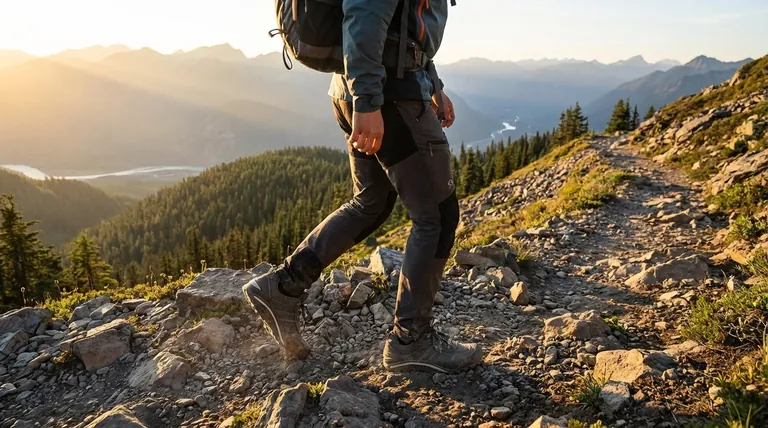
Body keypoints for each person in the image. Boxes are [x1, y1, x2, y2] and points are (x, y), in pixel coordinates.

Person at [243, 0, 483, 373]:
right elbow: (365, 13)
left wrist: (433, 84)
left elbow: (403, 23)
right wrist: (369, 102)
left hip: (360, 87)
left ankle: (283, 286)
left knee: (371, 201)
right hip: (387, 96)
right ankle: (411, 341)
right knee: (436, 216)